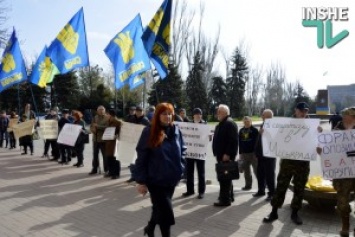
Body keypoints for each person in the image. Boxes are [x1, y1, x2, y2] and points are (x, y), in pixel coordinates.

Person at [135, 102, 186, 237]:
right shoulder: (149, 131)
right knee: (166, 213)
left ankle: (150, 228)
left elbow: (183, 150)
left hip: (171, 179)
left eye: (170, 114)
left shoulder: (176, 130)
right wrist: (141, 181)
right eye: (164, 114)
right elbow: (141, 157)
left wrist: (181, 167)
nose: (167, 117)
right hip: (156, 180)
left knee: (159, 208)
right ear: (157, 115)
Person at [263, 102, 314, 225]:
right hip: (288, 162)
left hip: (303, 162)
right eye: (301, 110)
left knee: (299, 188)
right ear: (296, 110)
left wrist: (318, 133)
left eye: (305, 111)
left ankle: (295, 213)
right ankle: (274, 212)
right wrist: (266, 133)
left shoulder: (312, 125)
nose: (303, 113)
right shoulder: (286, 124)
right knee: (281, 186)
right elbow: (277, 139)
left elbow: (316, 144)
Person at [330, 107, 355, 237]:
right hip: (343, 173)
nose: (346, 117)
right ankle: (345, 224)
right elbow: (328, 149)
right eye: (345, 115)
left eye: (349, 115)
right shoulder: (336, 130)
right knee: (342, 202)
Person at [212, 104, 239, 206]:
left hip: (226, 155)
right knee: (226, 177)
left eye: (219, 111)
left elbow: (233, 141)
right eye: (218, 111)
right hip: (221, 154)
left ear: (225, 113)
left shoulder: (229, 123)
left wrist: (228, 154)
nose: (217, 113)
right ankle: (229, 196)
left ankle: (224, 200)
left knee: (224, 178)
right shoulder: (222, 123)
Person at [182, 108, 207, 199]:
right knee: (189, 172)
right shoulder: (189, 124)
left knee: (201, 173)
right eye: (196, 114)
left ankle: (201, 192)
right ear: (193, 116)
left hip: (200, 152)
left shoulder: (205, 125)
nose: (198, 116)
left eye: (199, 114)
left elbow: (207, 138)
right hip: (190, 152)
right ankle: (190, 190)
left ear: (201, 115)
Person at [254, 109, 276, 201]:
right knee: (260, 173)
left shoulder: (274, 126)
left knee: (270, 175)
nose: (262, 117)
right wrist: (256, 152)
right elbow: (259, 140)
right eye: (263, 115)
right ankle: (261, 190)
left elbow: (276, 140)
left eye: (264, 115)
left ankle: (272, 193)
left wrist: (265, 134)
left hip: (270, 155)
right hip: (260, 154)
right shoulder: (263, 124)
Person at [239, 116, 259, 191]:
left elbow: (257, 143)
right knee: (246, 171)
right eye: (244, 122)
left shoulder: (254, 130)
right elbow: (240, 143)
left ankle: (262, 186)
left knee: (256, 171)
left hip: (253, 154)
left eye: (247, 121)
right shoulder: (241, 131)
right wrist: (240, 153)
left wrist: (256, 153)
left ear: (251, 121)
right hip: (244, 154)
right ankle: (248, 185)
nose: (246, 123)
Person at [89, 105, 109, 175]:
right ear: (97, 111)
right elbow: (91, 126)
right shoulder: (95, 117)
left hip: (103, 140)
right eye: (99, 109)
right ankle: (95, 169)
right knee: (95, 155)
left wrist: (98, 126)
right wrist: (92, 129)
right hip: (95, 139)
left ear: (104, 110)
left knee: (105, 156)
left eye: (102, 109)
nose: (101, 111)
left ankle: (106, 169)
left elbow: (108, 127)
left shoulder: (107, 118)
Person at [105, 109, 122, 179]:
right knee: (109, 158)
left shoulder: (118, 122)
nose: (106, 115)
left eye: (107, 114)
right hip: (109, 142)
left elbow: (122, 132)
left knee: (115, 159)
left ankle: (116, 174)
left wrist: (117, 135)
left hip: (115, 143)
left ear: (111, 115)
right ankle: (111, 172)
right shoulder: (108, 121)